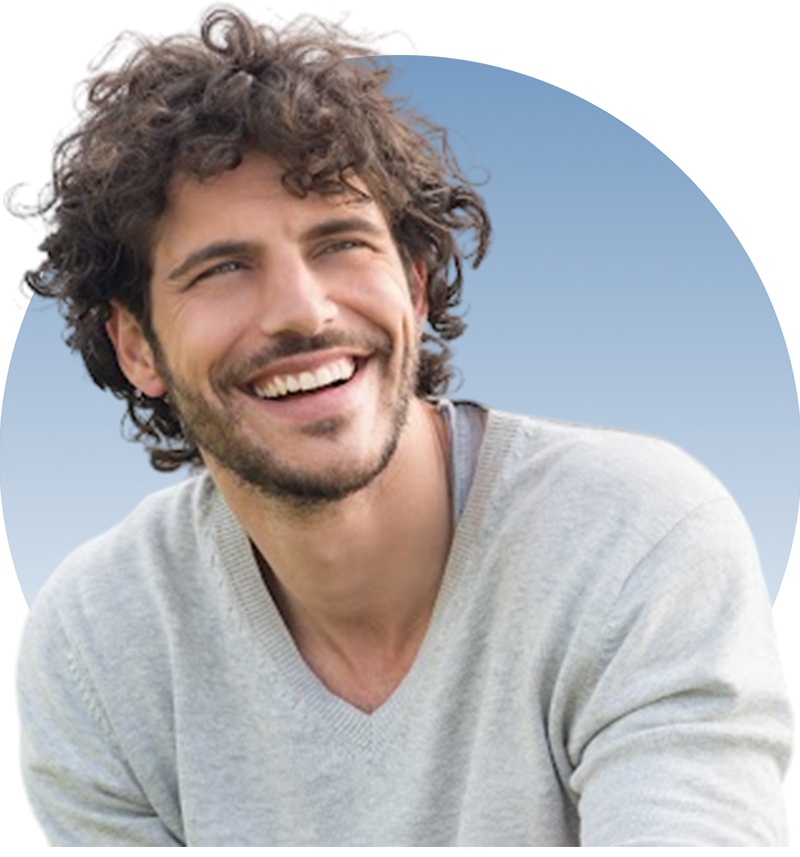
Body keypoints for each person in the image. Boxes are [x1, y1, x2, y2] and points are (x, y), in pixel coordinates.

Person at [13, 7, 794, 852]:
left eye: (341, 243)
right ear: (136, 345)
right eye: (225, 268)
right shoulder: (102, 639)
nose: (304, 313)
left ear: (416, 289)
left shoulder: (634, 539)